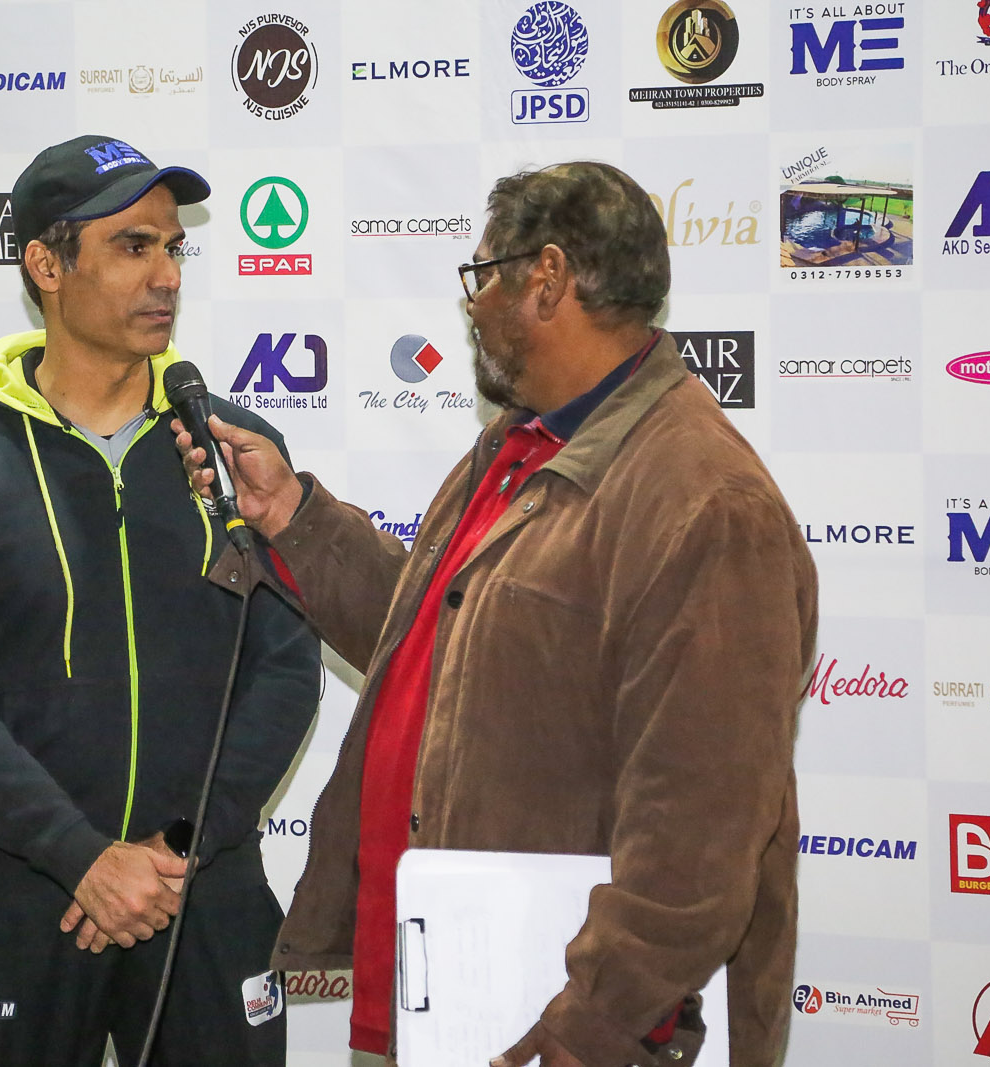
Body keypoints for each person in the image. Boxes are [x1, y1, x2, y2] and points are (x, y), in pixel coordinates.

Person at [178, 161, 819, 1067]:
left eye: (482, 276)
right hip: (445, 993)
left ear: (547, 278)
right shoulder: (520, 443)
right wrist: (291, 515)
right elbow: (438, 641)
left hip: (551, 1028)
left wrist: (587, 1027)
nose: (471, 304)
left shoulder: (704, 503)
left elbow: (699, 833)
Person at [0, 134, 320, 1067]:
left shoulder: (235, 450)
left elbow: (285, 667)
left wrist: (178, 847)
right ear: (46, 265)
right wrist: (80, 855)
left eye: (174, 247)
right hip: (19, 895)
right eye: (133, 246)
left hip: (202, 888)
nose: (167, 276)